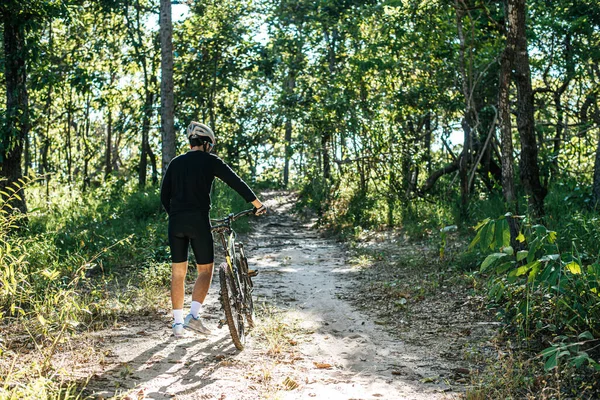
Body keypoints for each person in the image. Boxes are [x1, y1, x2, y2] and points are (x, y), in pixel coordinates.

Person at [160, 122, 266, 338]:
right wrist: (257, 205)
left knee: (178, 273)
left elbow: (164, 195)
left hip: (176, 222)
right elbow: (236, 182)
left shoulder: (175, 163)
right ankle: (194, 317)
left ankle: (178, 325)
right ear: (206, 143)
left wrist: (176, 215)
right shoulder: (211, 161)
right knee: (205, 270)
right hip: (199, 221)